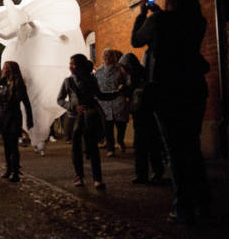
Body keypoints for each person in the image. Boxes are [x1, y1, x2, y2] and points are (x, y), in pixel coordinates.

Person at [131, 0, 210, 223]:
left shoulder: (159, 21)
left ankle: (182, 206)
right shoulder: (198, 21)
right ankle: (202, 204)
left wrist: (143, 15)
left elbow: (136, 40)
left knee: (175, 151)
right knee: (192, 147)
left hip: (167, 91)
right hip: (194, 87)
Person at [57, 54, 120, 189]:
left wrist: (117, 93)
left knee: (92, 148)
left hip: (90, 117)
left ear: (80, 66)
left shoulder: (91, 80)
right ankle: (79, 176)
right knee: (76, 148)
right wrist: (73, 107)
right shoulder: (68, 81)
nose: (70, 66)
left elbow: (100, 95)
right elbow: (60, 99)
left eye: (73, 64)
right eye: (70, 63)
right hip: (74, 119)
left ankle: (97, 178)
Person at [118, 52, 166, 185]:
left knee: (148, 145)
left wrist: (124, 89)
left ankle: (150, 173)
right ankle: (146, 174)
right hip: (141, 113)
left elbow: (134, 91)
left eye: (122, 67)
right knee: (143, 145)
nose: (121, 70)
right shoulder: (138, 74)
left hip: (144, 113)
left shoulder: (136, 75)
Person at [0, 61, 33, 182]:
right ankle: (8, 169)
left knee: (13, 145)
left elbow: (26, 103)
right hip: (3, 116)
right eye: (4, 68)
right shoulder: (0, 83)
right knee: (6, 145)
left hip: (14, 116)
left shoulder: (18, 84)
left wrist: (29, 119)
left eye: (6, 68)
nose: (4, 70)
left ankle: (16, 172)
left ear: (12, 70)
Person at [95, 48, 129, 157]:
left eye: (109, 56)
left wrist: (123, 86)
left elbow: (127, 81)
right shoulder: (99, 71)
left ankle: (120, 141)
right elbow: (96, 86)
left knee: (121, 125)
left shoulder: (120, 70)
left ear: (114, 57)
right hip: (104, 102)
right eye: (105, 56)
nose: (107, 58)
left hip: (118, 100)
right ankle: (110, 148)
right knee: (107, 127)